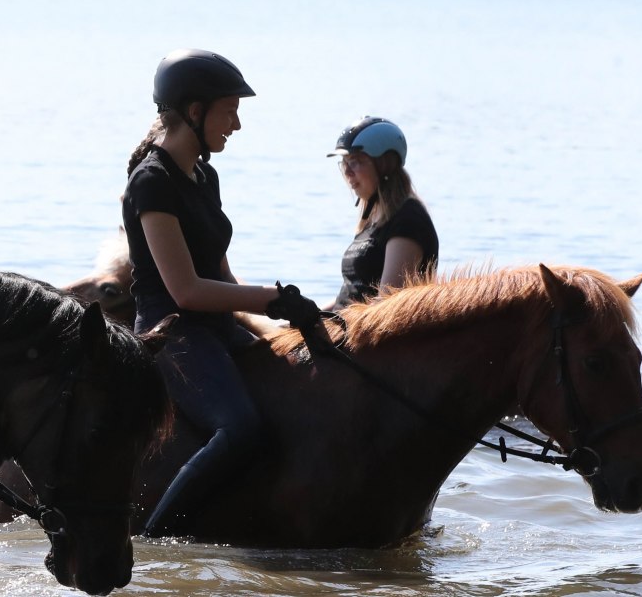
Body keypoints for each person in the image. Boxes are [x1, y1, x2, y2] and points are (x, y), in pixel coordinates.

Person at [120, 49, 321, 538]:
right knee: (240, 429)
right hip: (172, 333)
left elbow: (223, 278)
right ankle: (155, 542)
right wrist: (271, 299)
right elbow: (185, 291)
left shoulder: (204, 177)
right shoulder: (152, 182)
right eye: (230, 110)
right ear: (193, 111)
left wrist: (279, 322)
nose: (236, 124)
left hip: (216, 327)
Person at [328, 116, 438, 308]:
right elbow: (347, 297)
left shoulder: (407, 220)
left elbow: (386, 305)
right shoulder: (373, 220)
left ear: (384, 164)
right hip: (344, 326)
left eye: (355, 161)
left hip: (365, 333)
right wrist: (308, 317)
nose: (347, 172)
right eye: (344, 163)